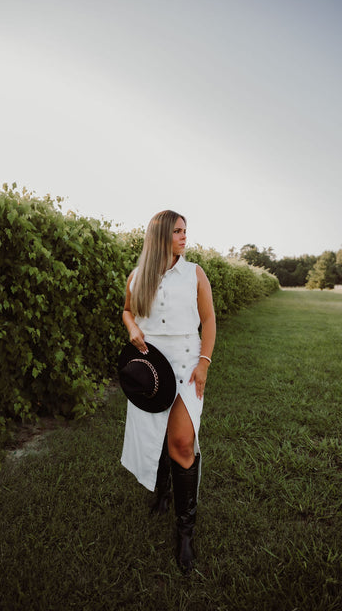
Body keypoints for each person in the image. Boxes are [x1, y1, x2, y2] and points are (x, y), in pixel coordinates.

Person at [120, 209, 216, 575]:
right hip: (149, 366)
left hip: (187, 361)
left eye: (185, 231)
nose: (184, 237)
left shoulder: (194, 274)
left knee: (181, 443)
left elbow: (208, 321)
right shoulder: (137, 276)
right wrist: (131, 326)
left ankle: (185, 532)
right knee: (155, 433)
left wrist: (204, 362)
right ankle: (161, 490)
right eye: (177, 231)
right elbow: (128, 311)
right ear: (160, 235)